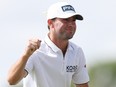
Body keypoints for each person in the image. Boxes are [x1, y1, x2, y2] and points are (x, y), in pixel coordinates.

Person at [7, 2, 89, 87]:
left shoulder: (77, 52)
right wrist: (25, 55)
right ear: (50, 23)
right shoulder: (35, 51)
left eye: (73, 20)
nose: (71, 24)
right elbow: (11, 80)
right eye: (66, 20)